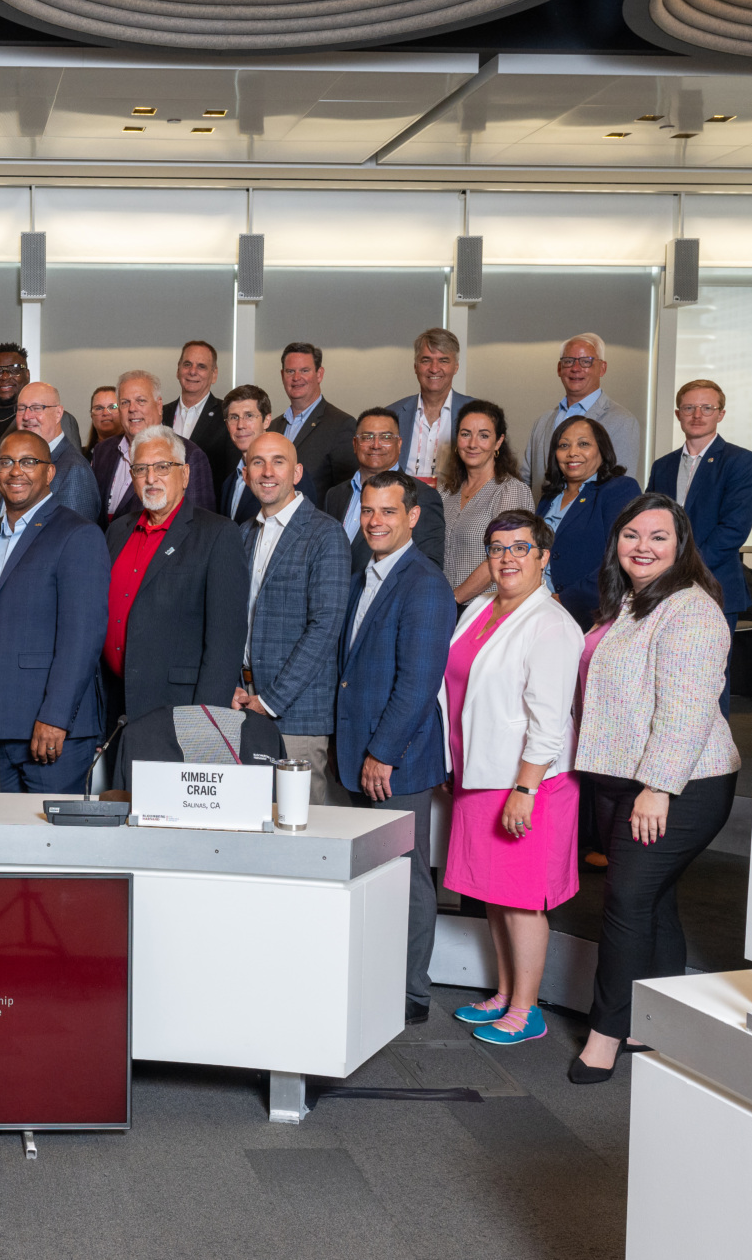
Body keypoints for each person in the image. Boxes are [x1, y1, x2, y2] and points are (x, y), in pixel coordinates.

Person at [569, 496, 741, 1083]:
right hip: (624, 777)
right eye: (632, 534)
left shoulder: (691, 611)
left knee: (626, 901)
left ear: (681, 545)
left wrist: (658, 788)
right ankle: (659, 1018)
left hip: (684, 783)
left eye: (659, 537)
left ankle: (607, 1031)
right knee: (654, 898)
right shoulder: (630, 603)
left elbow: (687, 712)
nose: (643, 546)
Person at [439, 509, 584, 1048]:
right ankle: (503, 992)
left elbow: (549, 722)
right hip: (481, 770)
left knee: (523, 898)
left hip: (527, 781)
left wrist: (524, 789)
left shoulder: (550, 624)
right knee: (496, 894)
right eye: (498, 547)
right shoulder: (480, 608)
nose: (507, 558)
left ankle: (527, 1010)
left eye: (521, 547)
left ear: (544, 557)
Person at [333, 469, 453, 1025]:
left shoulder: (424, 583)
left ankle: (411, 992)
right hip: (358, 754)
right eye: (368, 511)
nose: (375, 521)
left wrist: (383, 752)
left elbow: (418, 681)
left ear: (413, 517)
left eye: (388, 512)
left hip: (395, 761)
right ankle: (373, 974)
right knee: (372, 874)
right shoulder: (366, 575)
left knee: (407, 877)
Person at [0, 428, 111, 793]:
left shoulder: (78, 535)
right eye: (6, 462)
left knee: (52, 847)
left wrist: (55, 717)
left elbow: (83, 637)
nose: (16, 471)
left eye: (29, 461)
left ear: (50, 473)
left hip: (47, 730)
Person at [103, 425, 248, 772]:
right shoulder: (117, 531)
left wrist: (204, 725)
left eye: (162, 467)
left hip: (178, 711)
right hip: (115, 708)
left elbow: (225, 642)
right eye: (140, 469)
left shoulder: (217, 534)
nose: (151, 478)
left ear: (184, 475)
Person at [232, 431, 352, 801]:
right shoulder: (243, 535)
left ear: (297, 472)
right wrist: (233, 686)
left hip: (295, 711)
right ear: (245, 474)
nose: (268, 471)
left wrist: (270, 700)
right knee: (251, 818)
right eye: (257, 462)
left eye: (278, 462)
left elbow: (325, 627)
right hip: (241, 701)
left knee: (302, 826)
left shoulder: (325, 535)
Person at [648, 379, 752, 631]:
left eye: (707, 408)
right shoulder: (662, 466)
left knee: (710, 670)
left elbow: (734, 529)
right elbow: (649, 522)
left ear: (720, 414)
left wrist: (683, 568)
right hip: (661, 587)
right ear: (678, 414)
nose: (697, 415)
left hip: (713, 585)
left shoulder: (740, 461)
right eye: (689, 408)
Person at [536, 416, 641, 629]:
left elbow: (620, 557)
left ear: (602, 450)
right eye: (564, 445)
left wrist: (565, 600)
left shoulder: (619, 489)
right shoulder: (549, 497)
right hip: (539, 608)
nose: (572, 452)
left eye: (583, 444)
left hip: (591, 613)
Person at [322, 407, 446, 573]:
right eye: (367, 437)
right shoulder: (335, 495)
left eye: (386, 437)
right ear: (355, 444)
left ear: (399, 444)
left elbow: (428, 567)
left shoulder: (422, 496)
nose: (376, 445)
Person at [439, 401, 533, 604]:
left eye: (484, 435)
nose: (473, 444)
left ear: (498, 442)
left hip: (487, 609)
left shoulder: (510, 491)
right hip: (443, 606)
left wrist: (453, 599)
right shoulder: (446, 492)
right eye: (465, 434)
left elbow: (503, 557)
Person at [523, 334, 641, 495]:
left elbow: (619, 490)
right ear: (559, 368)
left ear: (602, 368)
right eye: (568, 361)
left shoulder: (622, 421)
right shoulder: (542, 421)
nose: (576, 368)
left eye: (586, 361)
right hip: (541, 517)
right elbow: (526, 481)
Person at [94, 370, 215, 525]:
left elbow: (200, 525)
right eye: (125, 402)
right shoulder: (102, 451)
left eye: (141, 401)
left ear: (159, 406)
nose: (132, 409)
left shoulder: (190, 455)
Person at [0, 343, 80, 493]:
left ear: (28, 375)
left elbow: (69, 472)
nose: (5, 377)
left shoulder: (57, 418)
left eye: (14, 370)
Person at [267, 341, 357, 505]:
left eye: (304, 371)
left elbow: (347, 494)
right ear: (282, 375)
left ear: (319, 374)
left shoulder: (341, 425)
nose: (296, 378)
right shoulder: (272, 428)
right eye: (290, 371)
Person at [387, 328, 475, 486]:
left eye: (443, 360)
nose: (434, 368)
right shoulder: (392, 414)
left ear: (456, 367)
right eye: (426, 360)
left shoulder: (476, 413)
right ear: (415, 367)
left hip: (456, 504)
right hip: (403, 504)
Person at [16, 380, 102, 525]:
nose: (26, 416)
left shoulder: (74, 470)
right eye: (21, 408)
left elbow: (73, 539)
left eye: (37, 408)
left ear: (58, 413)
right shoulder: (16, 465)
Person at [163, 339, 235, 479]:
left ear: (214, 374)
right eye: (187, 364)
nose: (192, 371)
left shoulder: (228, 416)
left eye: (201, 366)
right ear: (178, 370)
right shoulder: (160, 415)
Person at [217, 385, 272, 523]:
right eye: (234, 417)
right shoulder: (229, 483)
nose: (241, 425)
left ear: (267, 420)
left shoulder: (285, 475)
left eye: (249, 416)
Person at [86, 385, 120, 458]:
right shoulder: (81, 457)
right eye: (99, 408)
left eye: (113, 407)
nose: (105, 413)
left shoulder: (134, 453)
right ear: (92, 415)